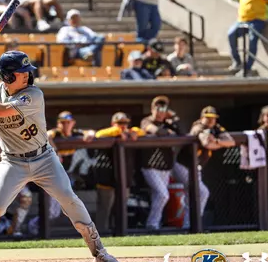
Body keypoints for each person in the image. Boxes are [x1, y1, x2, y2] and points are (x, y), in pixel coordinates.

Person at [0, 50, 120, 262]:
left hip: (44, 159)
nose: (27, 76)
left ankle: (100, 252)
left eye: (27, 72)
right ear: (8, 76)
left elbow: (1, 111)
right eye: (21, 73)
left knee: (69, 199)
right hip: (12, 162)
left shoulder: (33, 94)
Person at [174, 106, 234, 228]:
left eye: (213, 118)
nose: (211, 121)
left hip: (196, 167)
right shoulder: (199, 126)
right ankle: (194, 223)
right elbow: (206, 143)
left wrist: (217, 142)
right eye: (208, 118)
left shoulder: (216, 128)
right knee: (201, 192)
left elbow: (231, 142)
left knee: (196, 194)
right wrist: (219, 143)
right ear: (202, 118)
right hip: (183, 166)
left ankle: (190, 224)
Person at [94, 112, 144, 233]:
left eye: (125, 123)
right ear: (113, 124)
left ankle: (120, 233)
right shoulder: (108, 134)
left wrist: (133, 132)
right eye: (120, 123)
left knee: (121, 209)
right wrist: (118, 131)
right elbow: (98, 134)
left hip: (124, 178)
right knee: (104, 209)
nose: (123, 126)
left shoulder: (130, 133)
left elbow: (142, 132)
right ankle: (101, 234)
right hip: (106, 178)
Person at [140, 96, 181, 231]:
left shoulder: (169, 123)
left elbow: (182, 132)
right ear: (152, 109)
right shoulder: (146, 121)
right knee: (163, 194)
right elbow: (156, 130)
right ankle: (152, 224)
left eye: (163, 108)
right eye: (157, 108)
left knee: (158, 196)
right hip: (149, 166)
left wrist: (173, 118)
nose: (160, 111)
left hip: (165, 167)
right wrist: (169, 132)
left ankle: (155, 224)